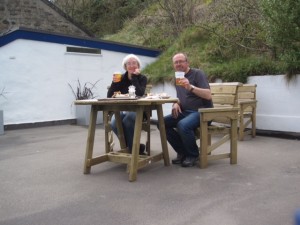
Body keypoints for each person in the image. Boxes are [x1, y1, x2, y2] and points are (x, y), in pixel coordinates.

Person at [160, 53, 213, 167]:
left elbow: (208, 95)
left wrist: (191, 87)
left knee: (183, 125)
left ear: (187, 62)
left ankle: (193, 155)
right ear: (173, 65)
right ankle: (183, 152)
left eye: (181, 61)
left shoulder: (198, 74)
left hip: (203, 112)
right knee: (162, 123)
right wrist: (176, 103)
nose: (179, 64)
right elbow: (181, 97)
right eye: (176, 62)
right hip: (186, 112)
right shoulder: (178, 77)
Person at [107, 54, 147, 155]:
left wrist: (134, 77)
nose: (131, 65)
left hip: (138, 110)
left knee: (128, 119)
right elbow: (110, 95)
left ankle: (132, 149)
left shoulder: (142, 78)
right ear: (125, 66)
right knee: (114, 123)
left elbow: (139, 93)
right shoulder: (121, 78)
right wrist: (114, 83)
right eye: (128, 64)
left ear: (138, 65)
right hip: (121, 109)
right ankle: (134, 147)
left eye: (134, 63)